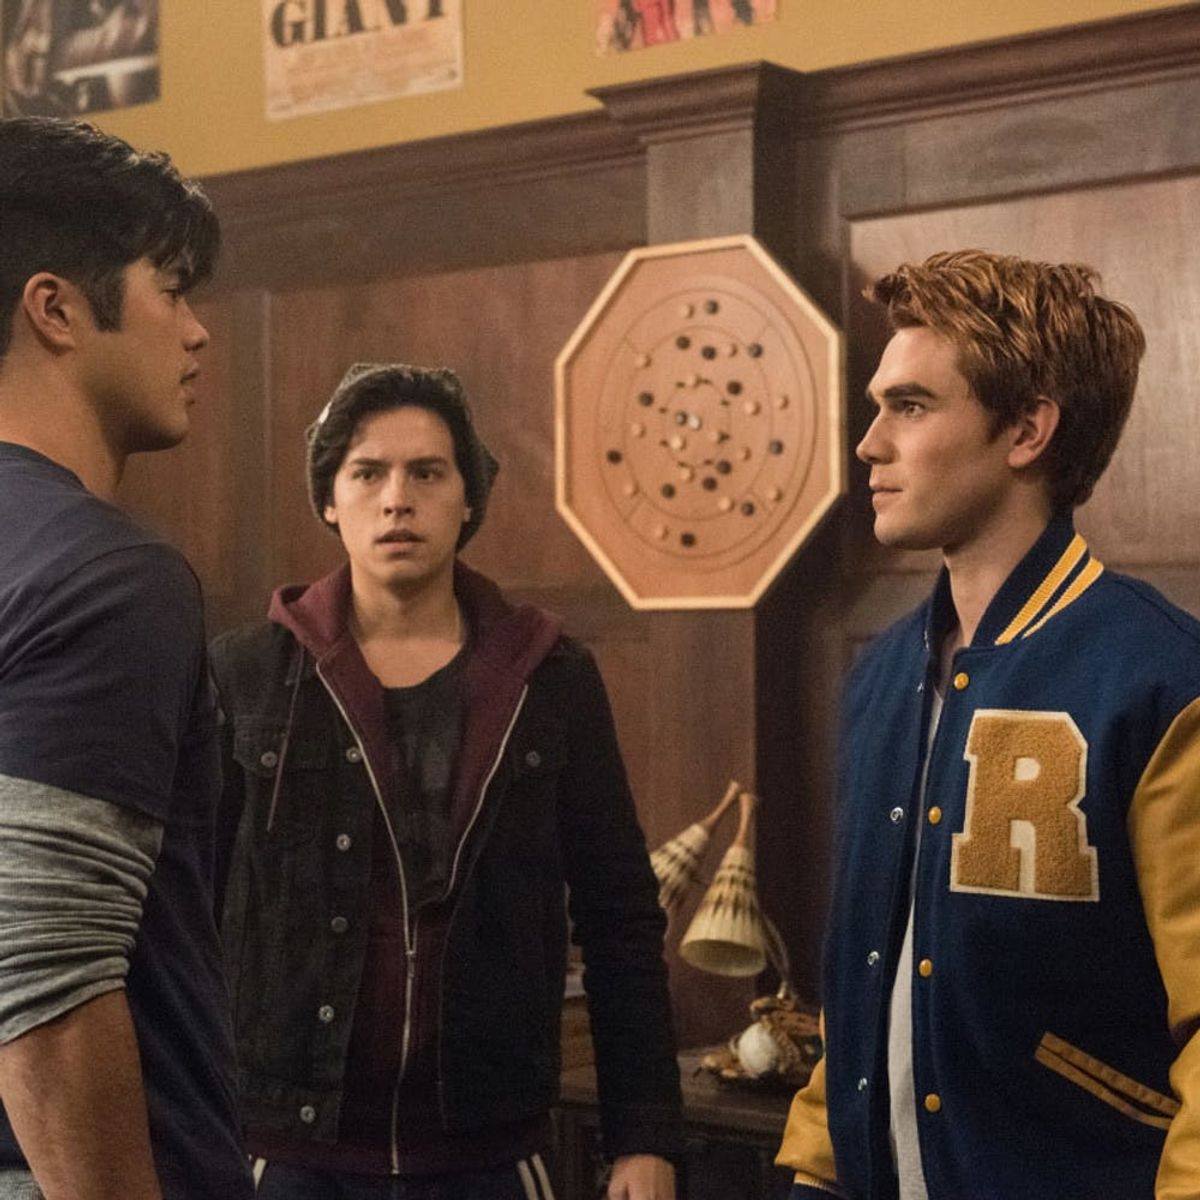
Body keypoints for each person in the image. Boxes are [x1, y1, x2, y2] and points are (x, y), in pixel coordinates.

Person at [777, 250, 1200, 1199]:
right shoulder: (880, 677)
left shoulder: (1164, 682)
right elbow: (863, 974)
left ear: (1027, 430)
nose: (868, 444)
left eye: (911, 406)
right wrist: (816, 1170)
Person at [211, 363, 682, 1199]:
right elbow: (183, 907)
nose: (397, 499)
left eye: (427, 472)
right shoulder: (248, 674)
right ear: (330, 499)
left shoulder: (549, 676)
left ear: (469, 498)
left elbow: (619, 915)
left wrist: (643, 1134)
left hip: (486, 1147)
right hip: (284, 1148)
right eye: (368, 473)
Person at [0, 118, 253, 1198]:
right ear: (55, 309)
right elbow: (43, 997)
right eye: (171, 289)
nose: (197, 333)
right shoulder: (106, 575)